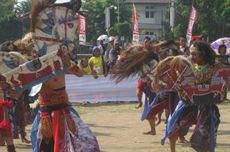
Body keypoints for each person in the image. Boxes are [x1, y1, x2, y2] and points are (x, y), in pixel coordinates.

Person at [189, 41, 221, 152]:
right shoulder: (196, 67)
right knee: (202, 142)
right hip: (200, 108)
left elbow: (196, 81)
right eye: (191, 54)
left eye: (194, 54)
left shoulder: (210, 68)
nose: (191, 57)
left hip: (208, 110)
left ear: (203, 54)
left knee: (202, 141)